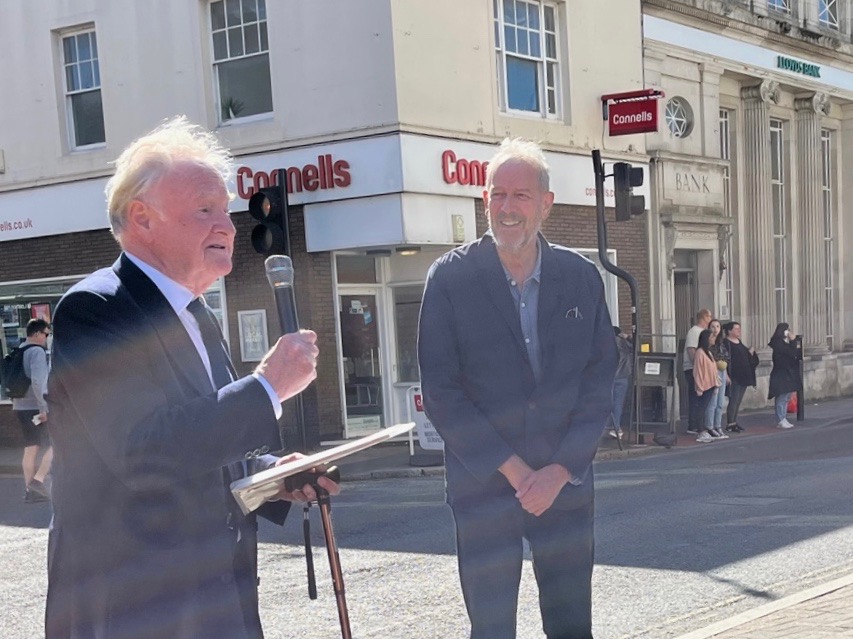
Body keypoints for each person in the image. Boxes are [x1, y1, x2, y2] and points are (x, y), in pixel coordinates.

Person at [45, 117, 339, 639]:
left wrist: (272, 474)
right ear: (142, 218)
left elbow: (200, 443)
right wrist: (267, 387)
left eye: (224, 211)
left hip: (216, 597)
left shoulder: (194, 312)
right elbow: (143, 450)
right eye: (205, 210)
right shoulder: (95, 309)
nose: (226, 227)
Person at [418, 138, 617, 639]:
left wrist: (558, 470)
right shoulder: (449, 279)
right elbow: (442, 392)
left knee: (573, 627)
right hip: (484, 490)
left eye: (521, 196)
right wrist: (516, 471)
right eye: (497, 195)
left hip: (564, 490)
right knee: (491, 630)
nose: (507, 208)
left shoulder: (581, 277)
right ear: (485, 201)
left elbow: (600, 380)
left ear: (545, 204)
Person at [11, 318, 53, 503]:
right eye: (46, 334)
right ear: (36, 334)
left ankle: (31, 491)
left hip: (20, 407)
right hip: (35, 408)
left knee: (30, 449)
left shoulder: (20, 350)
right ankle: (38, 481)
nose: (47, 337)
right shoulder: (36, 351)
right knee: (58, 443)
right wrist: (44, 408)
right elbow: (38, 382)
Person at [723, 321, 759, 433]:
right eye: (736, 329)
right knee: (733, 399)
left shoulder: (739, 342)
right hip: (734, 376)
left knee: (738, 400)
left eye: (739, 328)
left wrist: (751, 353)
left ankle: (734, 421)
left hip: (744, 375)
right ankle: (730, 423)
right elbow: (725, 359)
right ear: (729, 331)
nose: (739, 331)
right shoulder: (726, 343)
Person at [682, 309, 712, 434]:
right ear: (704, 317)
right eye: (710, 316)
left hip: (700, 369)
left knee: (700, 398)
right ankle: (693, 425)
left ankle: (699, 424)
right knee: (696, 397)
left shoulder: (702, 332)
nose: (711, 319)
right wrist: (698, 366)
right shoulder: (694, 332)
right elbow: (691, 350)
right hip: (693, 369)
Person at [768, 322, 800, 429]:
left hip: (786, 372)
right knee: (781, 397)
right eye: (787, 330)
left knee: (786, 397)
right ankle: (780, 419)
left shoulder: (781, 342)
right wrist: (793, 341)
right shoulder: (777, 343)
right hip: (781, 373)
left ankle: (783, 417)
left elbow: (793, 353)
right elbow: (791, 352)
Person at [693, 329, 721, 443]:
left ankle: (703, 430)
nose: (714, 339)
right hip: (704, 385)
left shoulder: (708, 352)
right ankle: (700, 431)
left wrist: (716, 384)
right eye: (711, 337)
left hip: (710, 384)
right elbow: (698, 371)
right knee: (701, 408)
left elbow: (713, 369)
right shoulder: (700, 352)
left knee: (705, 407)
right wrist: (699, 387)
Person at [706, 319, 730, 439]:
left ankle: (718, 425)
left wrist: (726, 374)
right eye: (713, 327)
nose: (715, 329)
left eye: (717, 327)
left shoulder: (722, 342)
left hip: (722, 371)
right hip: (713, 372)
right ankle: (710, 427)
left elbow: (726, 357)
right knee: (713, 402)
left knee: (720, 402)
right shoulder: (708, 343)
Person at [608, 326, 634, 439]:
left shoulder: (607, 343)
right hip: (623, 377)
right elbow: (637, 343)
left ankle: (614, 426)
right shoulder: (626, 344)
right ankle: (616, 428)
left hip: (609, 377)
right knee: (617, 404)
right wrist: (627, 336)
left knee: (607, 402)